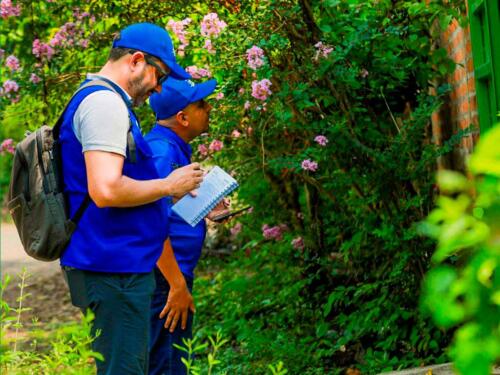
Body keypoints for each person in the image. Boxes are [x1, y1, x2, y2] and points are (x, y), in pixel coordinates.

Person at [59, 23, 204, 375]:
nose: (158, 87)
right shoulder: (104, 104)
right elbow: (106, 189)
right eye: (160, 74)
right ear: (137, 61)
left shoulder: (107, 102)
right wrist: (169, 186)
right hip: (112, 268)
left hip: (119, 266)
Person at [145, 77, 229, 375]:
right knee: (166, 366)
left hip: (172, 277)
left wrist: (206, 207)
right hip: (165, 281)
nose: (208, 109)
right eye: (200, 105)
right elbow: (148, 225)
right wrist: (177, 285)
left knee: (173, 361)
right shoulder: (162, 153)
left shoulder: (173, 147)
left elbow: (168, 209)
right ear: (182, 117)